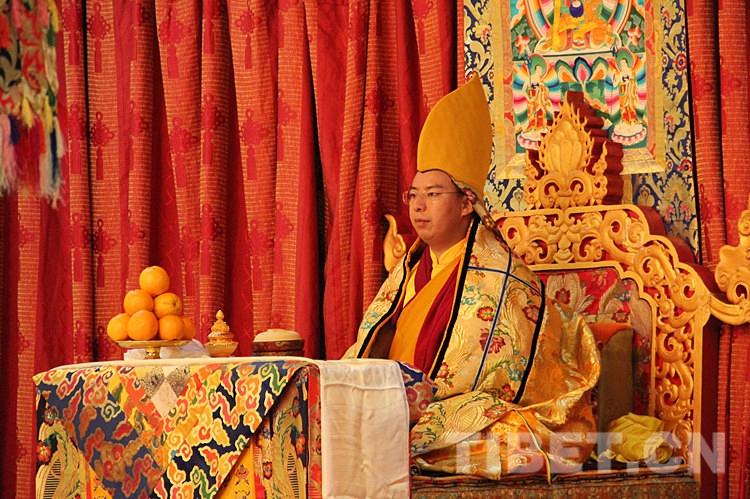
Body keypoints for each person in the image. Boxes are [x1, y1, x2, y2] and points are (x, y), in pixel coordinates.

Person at [343, 74, 600, 479]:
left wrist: (420, 404)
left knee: (510, 438)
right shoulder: (408, 272)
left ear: (467, 203)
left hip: (453, 412)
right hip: (400, 408)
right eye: (413, 195)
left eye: (432, 194)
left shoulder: (503, 278)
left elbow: (499, 378)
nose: (418, 206)